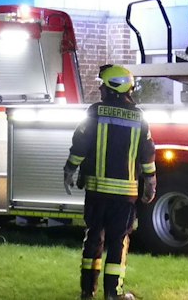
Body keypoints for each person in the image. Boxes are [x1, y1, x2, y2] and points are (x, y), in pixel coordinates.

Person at [63, 64, 156, 300]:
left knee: (93, 238)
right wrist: (150, 182)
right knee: (118, 243)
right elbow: (147, 154)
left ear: (113, 87)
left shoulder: (95, 112)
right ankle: (113, 294)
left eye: (103, 85)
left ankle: (87, 291)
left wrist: (70, 169)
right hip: (124, 196)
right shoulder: (139, 117)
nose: (100, 89)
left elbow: (80, 144)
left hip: (96, 193)